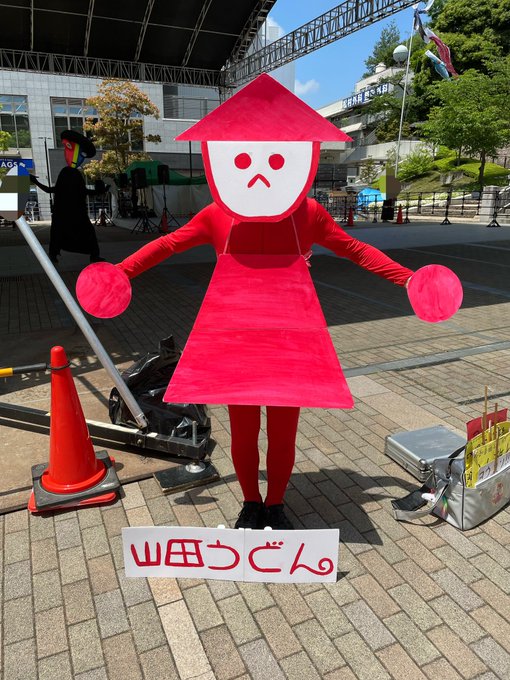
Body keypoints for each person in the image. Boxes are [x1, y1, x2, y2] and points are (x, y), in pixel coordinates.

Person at [78, 75, 460, 530]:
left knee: (281, 433)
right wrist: (121, 272)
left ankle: (274, 504)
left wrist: (408, 279)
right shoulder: (220, 214)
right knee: (244, 432)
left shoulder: (306, 214)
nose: (260, 170)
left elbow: (356, 250)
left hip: (289, 341)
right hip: (234, 339)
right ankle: (251, 503)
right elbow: (168, 244)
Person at [30, 130, 107, 265]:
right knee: (86, 233)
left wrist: (35, 181)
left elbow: (51, 190)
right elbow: (83, 191)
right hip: (75, 213)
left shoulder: (68, 173)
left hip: (64, 213)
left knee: (59, 233)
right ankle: (93, 255)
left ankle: (54, 254)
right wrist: (99, 191)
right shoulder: (72, 174)